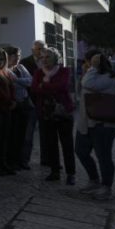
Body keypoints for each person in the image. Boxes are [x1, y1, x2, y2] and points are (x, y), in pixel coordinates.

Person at [75, 50, 115, 200]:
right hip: (87, 123)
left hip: (103, 124)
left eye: (88, 62)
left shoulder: (109, 77)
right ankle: (94, 180)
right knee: (81, 151)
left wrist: (92, 68)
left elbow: (88, 84)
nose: (86, 65)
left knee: (103, 156)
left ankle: (106, 187)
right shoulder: (91, 74)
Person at [31, 47, 76, 185]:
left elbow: (61, 86)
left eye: (48, 57)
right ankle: (54, 171)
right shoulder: (38, 72)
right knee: (51, 144)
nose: (45, 60)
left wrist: (43, 85)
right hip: (45, 113)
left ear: (56, 59)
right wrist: (47, 86)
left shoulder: (64, 71)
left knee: (67, 144)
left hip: (63, 112)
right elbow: (34, 89)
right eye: (43, 57)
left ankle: (70, 173)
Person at [5, 46, 34, 170]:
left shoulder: (21, 67)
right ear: (9, 56)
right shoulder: (5, 70)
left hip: (24, 103)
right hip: (14, 105)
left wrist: (17, 80)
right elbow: (10, 83)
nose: (18, 58)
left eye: (19, 56)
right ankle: (11, 161)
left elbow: (30, 81)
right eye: (15, 56)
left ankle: (21, 160)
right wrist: (21, 81)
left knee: (23, 134)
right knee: (13, 135)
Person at [20, 39, 46, 165]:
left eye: (43, 48)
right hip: (31, 101)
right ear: (33, 50)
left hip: (45, 103)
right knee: (28, 134)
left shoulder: (48, 62)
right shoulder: (25, 62)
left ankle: (46, 159)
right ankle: (25, 159)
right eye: (39, 49)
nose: (41, 51)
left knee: (46, 133)